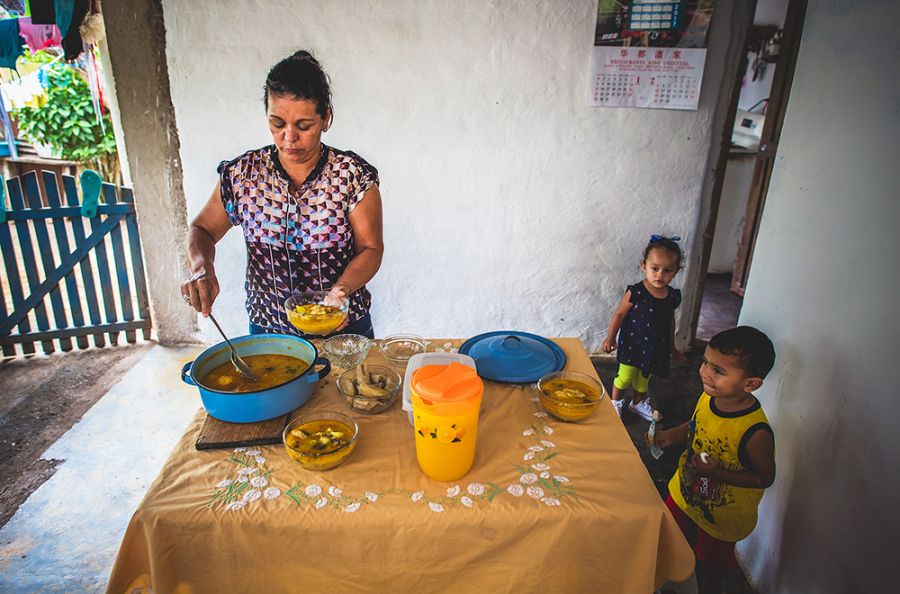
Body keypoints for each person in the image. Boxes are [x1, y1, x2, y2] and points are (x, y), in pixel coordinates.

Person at [181, 50, 383, 338]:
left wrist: (340, 290)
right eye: (277, 123)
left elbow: (371, 248)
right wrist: (202, 268)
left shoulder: (351, 175)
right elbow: (202, 229)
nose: (289, 137)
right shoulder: (244, 175)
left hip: (342, 329)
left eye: (304, 126)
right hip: (269, 330)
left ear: (325, 118)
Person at [653, 326, 777, 594]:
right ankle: (662, 580)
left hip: (722, 515)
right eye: (705, 362)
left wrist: (717, 473)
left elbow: (764, 477)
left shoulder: (755, 432)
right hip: (685, 491)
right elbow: (696, 425)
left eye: (718, 370)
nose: (705, 373)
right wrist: (672, 435)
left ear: (750, 384)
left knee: (712, 564)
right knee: (669, 537)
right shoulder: (710, 396)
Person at [601, 235, 685, 421]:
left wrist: (672, 346)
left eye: (667, 270)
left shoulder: (672, 296)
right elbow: (619, 314)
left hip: (655, 345)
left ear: (676, 271)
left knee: (644, 377)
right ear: (644, 266)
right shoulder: (636, 292)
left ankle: (637, 403)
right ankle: (615, 402)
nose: (660, 275)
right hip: (633, 343)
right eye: (655, 268)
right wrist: (610, 338)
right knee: (625, 376)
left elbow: (670, 321)